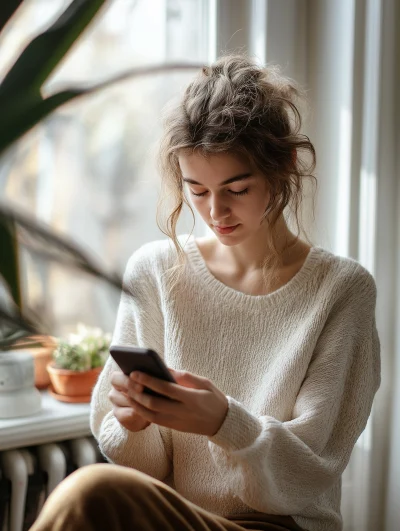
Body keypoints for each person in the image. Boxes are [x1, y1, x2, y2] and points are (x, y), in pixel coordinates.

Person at [30, 55, 381, 531]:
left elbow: (309, 472)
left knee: (88, 492)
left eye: (236, 188)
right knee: (93, 492)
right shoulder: (155, 272)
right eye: (196, 190)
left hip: (277, 524)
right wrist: (135, 423)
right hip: (177, 515)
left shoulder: (341, 291)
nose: (216, 210)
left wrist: (224, 422)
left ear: (284, 167)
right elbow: (142, 470)